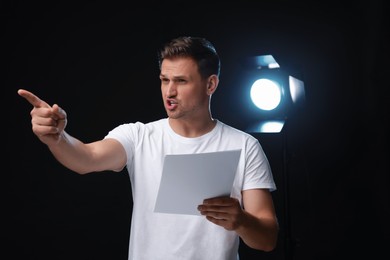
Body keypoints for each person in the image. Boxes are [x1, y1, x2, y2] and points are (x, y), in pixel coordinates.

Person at [18, 36, 279, 260]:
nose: (170, 91)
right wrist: (57, 137)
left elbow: (267, 239)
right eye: (164, 80)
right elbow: (86, 158)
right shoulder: (139, 135)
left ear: (210, 84)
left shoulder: (244, 146)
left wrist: (241, 221)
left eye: (181, 81)